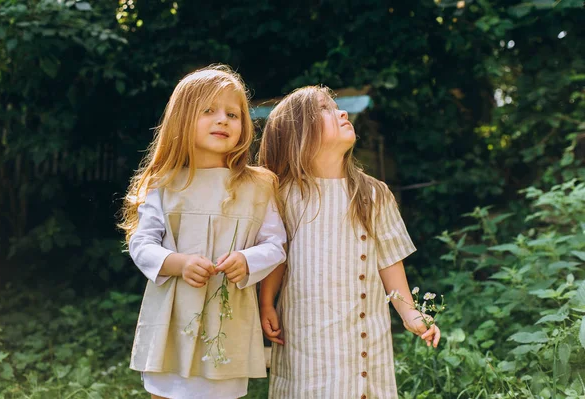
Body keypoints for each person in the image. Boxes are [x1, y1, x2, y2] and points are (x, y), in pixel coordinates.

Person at [258, 86, 441, 399]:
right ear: (297, 134)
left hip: (365, 339)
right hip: (307, 337)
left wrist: (409, 313)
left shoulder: (373, 194)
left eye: (337, 106)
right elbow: (277, 254)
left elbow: (389, 260)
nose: (342, 112)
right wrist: (266, 301)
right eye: (326, 109)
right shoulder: (283, 196)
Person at [118, 65, 286, 399]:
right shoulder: (164, 184)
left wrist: (247, 259)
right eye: (208, 110)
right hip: (172, 320)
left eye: (233, 114)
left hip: (228, 320)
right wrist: (177, 263)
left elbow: (276, 244)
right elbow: (141, 243)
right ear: (181, 120)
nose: (223, 119)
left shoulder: (259, 186)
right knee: (167, 390)